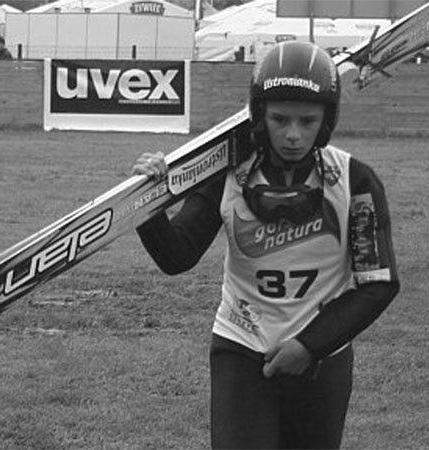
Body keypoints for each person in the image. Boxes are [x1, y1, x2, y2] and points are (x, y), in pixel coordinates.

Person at [132, 41, 400, 450]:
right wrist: (149, 204)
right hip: (240, 347)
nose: (293, 134)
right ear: (259, 116)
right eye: (279, 119)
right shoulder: (226, 176)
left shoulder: (355, 181)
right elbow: (177, 255)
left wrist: (309, 346)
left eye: (308, 121)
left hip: (322, 358)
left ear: (327, 119)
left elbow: (378, 283)